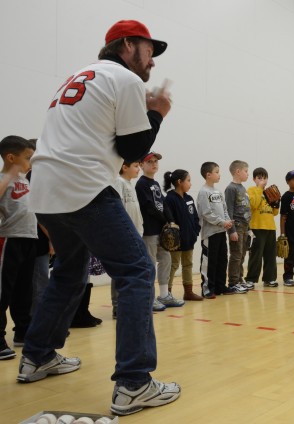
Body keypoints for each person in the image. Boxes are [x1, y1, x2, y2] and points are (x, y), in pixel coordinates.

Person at [22, 20, 180, 415]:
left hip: (45, 189)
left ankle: (37, 355)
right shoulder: (124, 79)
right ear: (128, 45)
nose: (152, 63)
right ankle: (134, 382)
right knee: (137, 271)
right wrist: (157, 113)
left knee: (70, 270)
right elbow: (132, 150)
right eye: (148, 51)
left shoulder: (78, 76)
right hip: (84, 187)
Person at [0, 136, 36, 360]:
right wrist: (10, 175)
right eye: (27, 158)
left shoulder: (26, 179)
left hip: (29, 238)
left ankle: (23, 332)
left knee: (25, 291)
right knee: (4, 291)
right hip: (9, 239)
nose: (30, 163)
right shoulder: (4, 178)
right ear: (11, 158)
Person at [136, 151, 183, 309]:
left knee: (166, 260)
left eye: (156, 161)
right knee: (149, 264)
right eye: (150, 162)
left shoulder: (155, 184)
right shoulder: (141, 184)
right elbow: (149, 208)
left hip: (162, 230)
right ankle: (149, 298)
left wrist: (170, 221)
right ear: (142, 165)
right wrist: (165, 221)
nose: (154, 164)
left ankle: (164, 296)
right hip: (149, 231)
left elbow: (163, 205)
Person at [111, 160, 149, 318]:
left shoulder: (129, 184)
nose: (138, 169)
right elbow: (118, 209)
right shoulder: (118, 183)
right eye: (135, 166)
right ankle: (117, 306)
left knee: (133, 271)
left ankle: (129, 304)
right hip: (123, 235)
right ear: (124, 167)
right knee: (121, 271)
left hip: (135, 233)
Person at [163, 169, 202, 301]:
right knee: (173, 265)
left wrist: (195, 232)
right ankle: (167, 293)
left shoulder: (189, 198)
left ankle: (188, 292)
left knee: (188, 264)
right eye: (189, 180)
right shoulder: (170, 198)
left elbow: (195, 218)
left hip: (189, 239)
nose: (191, 183)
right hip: (176, 242)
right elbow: (169, 220)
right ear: (179, 182)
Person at [198, 162, 234, 297]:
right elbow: (206, 213)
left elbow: (224, 209)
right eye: (217, 172)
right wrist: (221, 222)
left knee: (222, 260)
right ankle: (207, 288)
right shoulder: (203, 192)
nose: (219, 175)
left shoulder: (218, 192)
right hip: (210, 233)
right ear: (208, 175)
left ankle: (220, 286)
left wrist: (227, 221)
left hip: (221, 232)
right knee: (209, 262)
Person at [245, 167, 280, 288]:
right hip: (256, 227)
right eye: (259, 178)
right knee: (256, 255)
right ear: (254, 179)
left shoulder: (270, 192)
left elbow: (274, 213)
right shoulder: (251, 190)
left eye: (264, 178)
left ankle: (269, 279)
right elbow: (253, 204)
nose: (262, 180)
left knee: (270, 255)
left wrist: (276, 204)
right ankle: (251, 279)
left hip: (270, 227)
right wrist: (260, 189)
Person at [225, 160, 251, 293]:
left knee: (242, 254)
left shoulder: (242, 188)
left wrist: (250, 228)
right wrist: (232, 230)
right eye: (246, 171)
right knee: (236, 254)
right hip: (237, 226)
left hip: (245, 227)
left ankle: (240, 279)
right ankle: (233, 282)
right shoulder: (231, 188)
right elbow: (228, 210)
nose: (248, 174)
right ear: (238, 171)